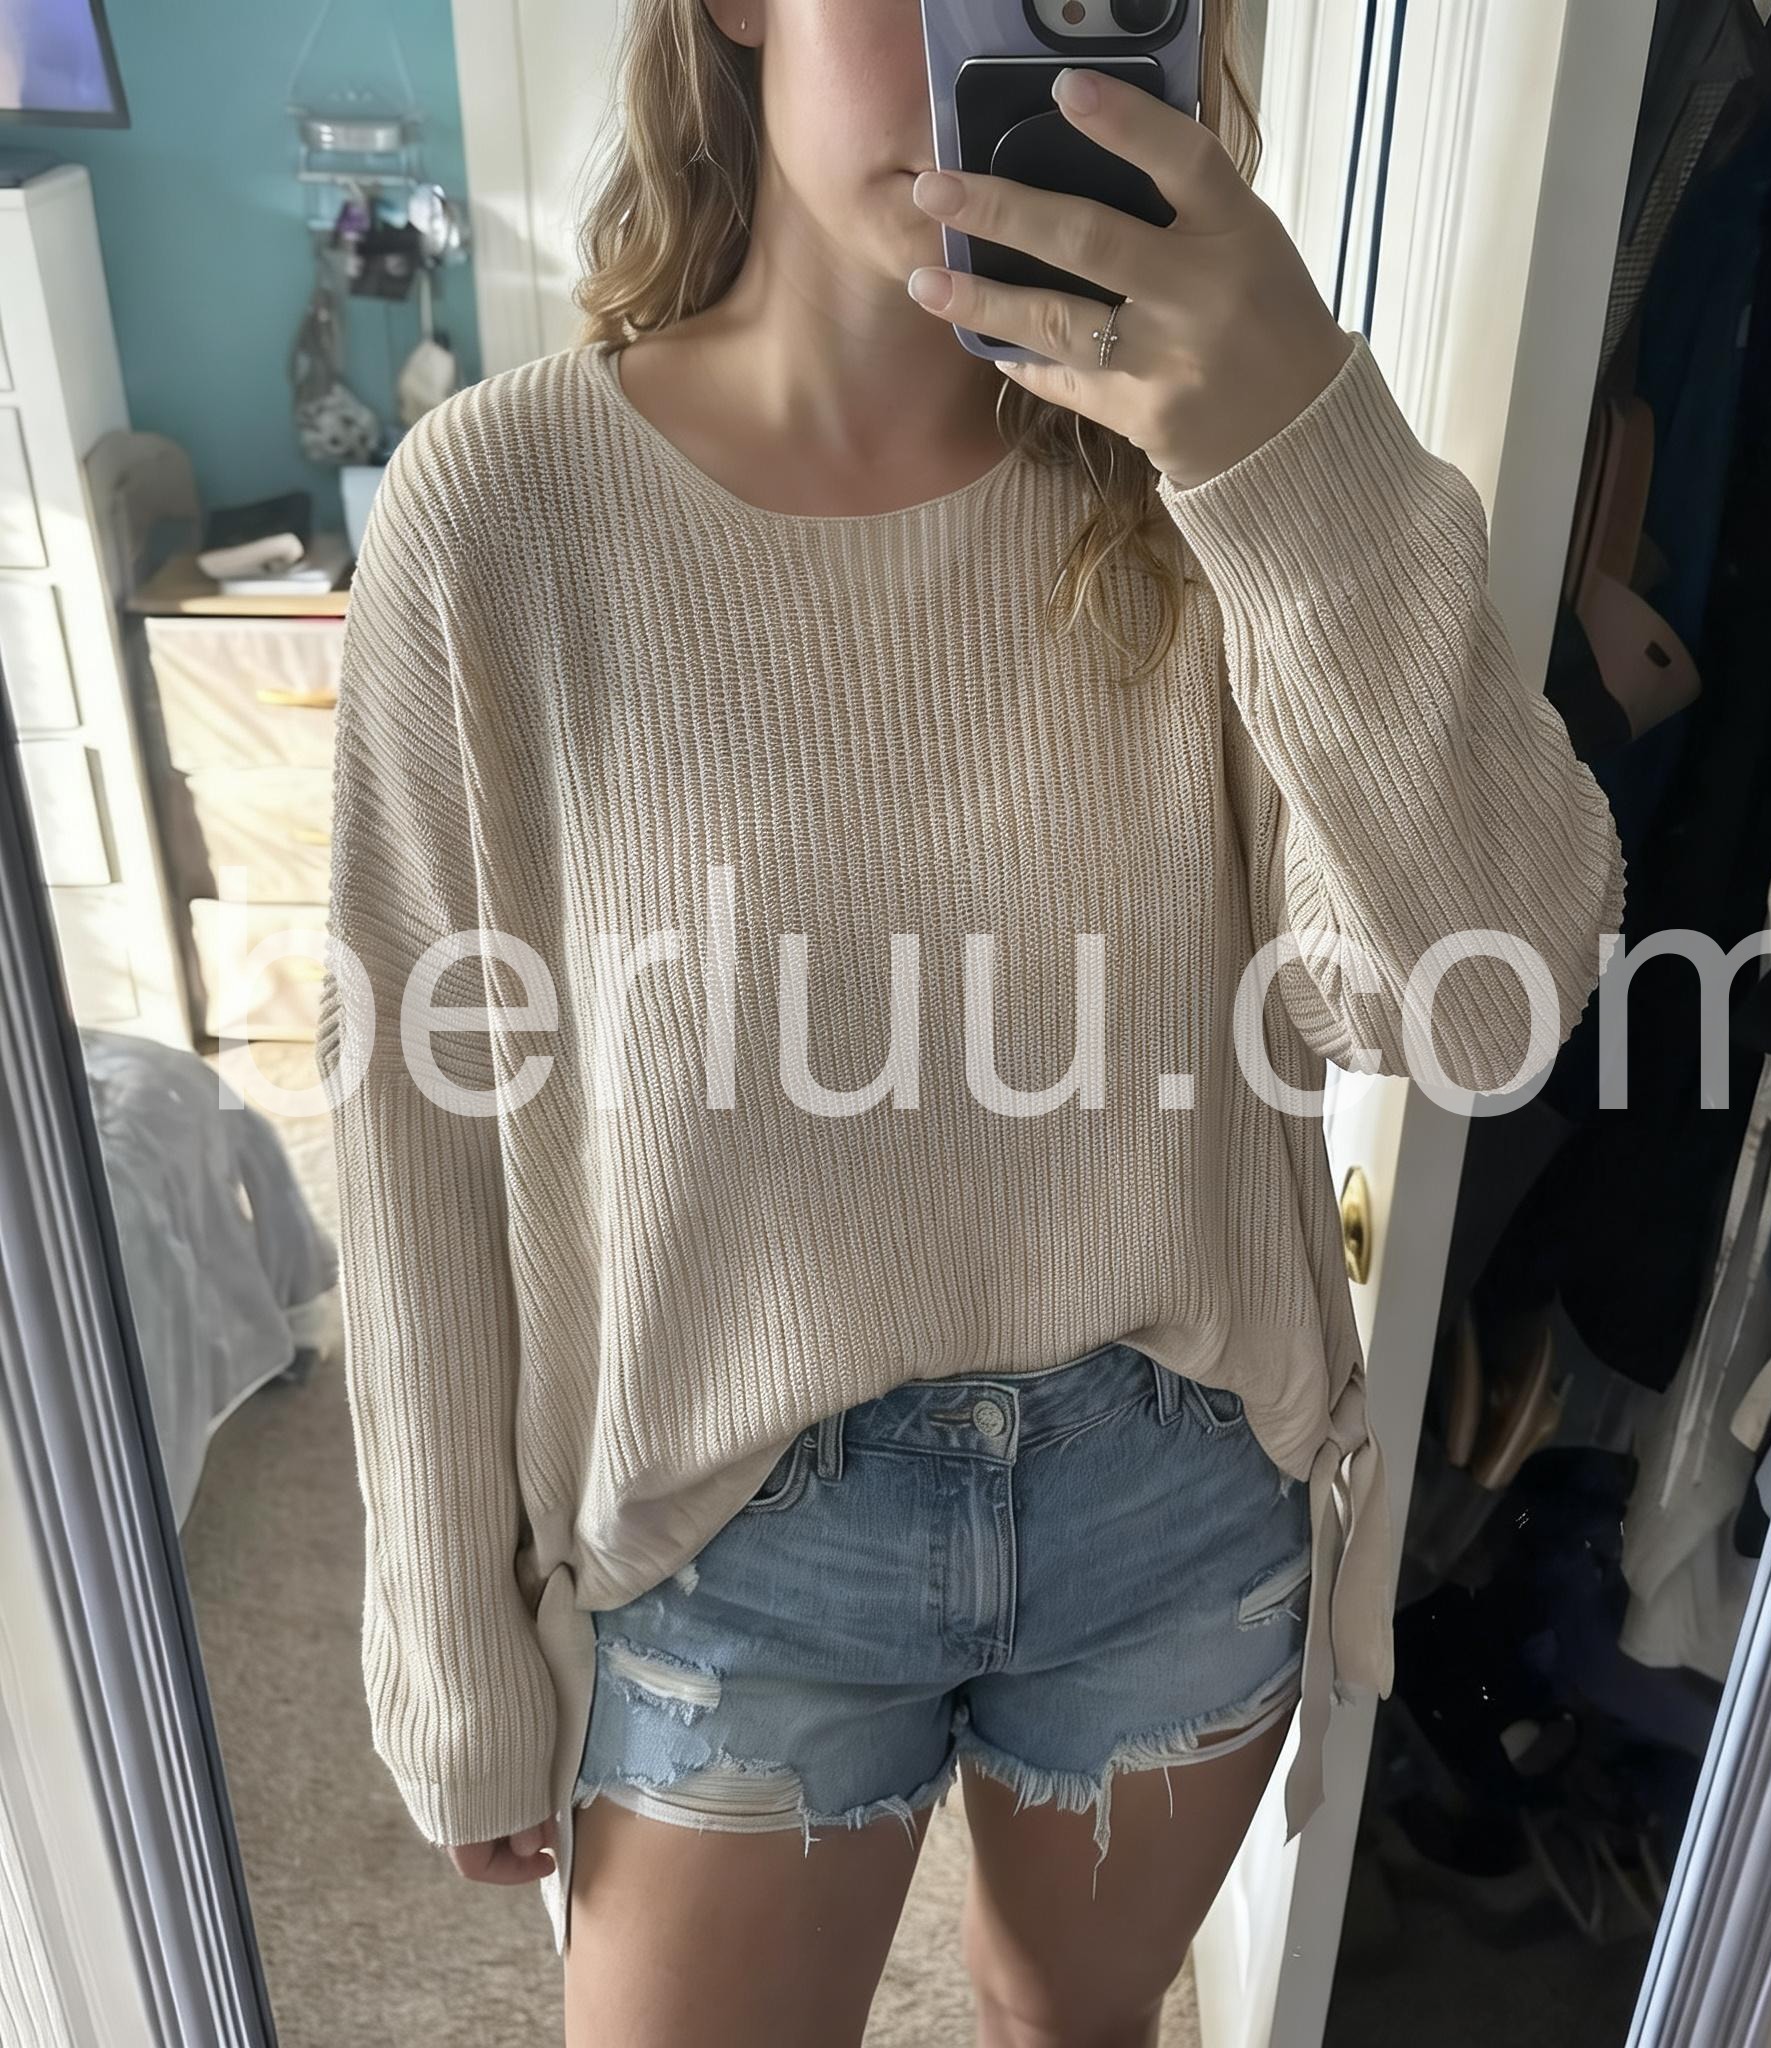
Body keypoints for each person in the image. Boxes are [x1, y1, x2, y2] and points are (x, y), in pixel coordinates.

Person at [315, 1, 1627, 2041]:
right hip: (725, 1534)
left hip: (1177, 1492)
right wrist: (449, 1638)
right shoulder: (501, 512)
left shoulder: (1243, 468)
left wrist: (1292, 450)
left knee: (1066, 2027)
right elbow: (418, 1119)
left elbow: (1482, 1006)